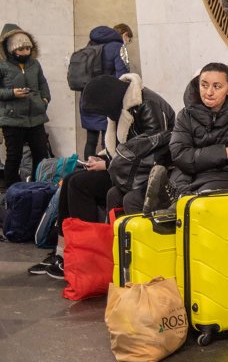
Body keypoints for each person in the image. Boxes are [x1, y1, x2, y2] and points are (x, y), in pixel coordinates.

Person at [27, 73, 175, 279]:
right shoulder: (123, 105)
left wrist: (107, 164)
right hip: (127, 170)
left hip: (144, 175)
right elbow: (124, 148)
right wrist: (102, 158)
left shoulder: (147, 106)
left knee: (79, 184)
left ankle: (88, 254)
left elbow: (156, 152)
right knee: (70, 180)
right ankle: (64, 253)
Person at [144, 63, 228, 213]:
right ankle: (170, 205)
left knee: (194, 201)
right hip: (187, 175)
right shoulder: (185, 115)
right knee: (133, 199)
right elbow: (179, 154)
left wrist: (199, 161)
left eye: (217, 87)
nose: (209, 92)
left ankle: (173, 205)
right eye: (204, 85)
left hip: (225, 178)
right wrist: (223, 153)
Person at [0, 23, 50, 190]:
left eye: (28, 48)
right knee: (14, 157)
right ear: (10, 49)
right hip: (12, 119)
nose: (25, 52)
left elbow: (43, 83)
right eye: (21, 49)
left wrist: (45, 100)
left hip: (36, 118)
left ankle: (39, 188)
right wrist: (12, 93)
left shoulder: (35, 64)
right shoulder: (2, 65)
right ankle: (11, 192)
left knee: (41, 155)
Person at [79, 25, 130, 159]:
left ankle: (88, 168)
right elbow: (123, 76)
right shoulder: (118, 47)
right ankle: (106, 168)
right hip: (107, 100)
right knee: (108, 141)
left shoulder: (89, 46)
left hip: (87, 98)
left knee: (91, 140)